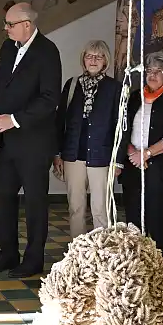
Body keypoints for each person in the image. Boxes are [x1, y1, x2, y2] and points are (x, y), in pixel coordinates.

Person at [0, 3, 62, 278]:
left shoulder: (47, 51)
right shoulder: (7, 49)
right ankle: (7, 254)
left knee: (34, 202)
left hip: (34, 143)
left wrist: (14, 119)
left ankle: (33, 261)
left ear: (27, 24)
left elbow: (50, 99)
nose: (5, 29)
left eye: (10, 24)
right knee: (2, 198)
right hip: (6, 142)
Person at [116, 51, 163, 256]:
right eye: (149, 70)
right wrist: (132, 153)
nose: (152, 75)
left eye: (159, 71)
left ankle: (159, 263)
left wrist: (146, 154)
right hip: (134, 165)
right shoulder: (134, 97)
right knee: (133, 214)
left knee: (159, 216)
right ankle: (135, 260)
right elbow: (123, 128)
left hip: (162, 168)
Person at [54, 39, 120, 237]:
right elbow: (60, 121)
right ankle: (79, 253)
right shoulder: (72, 85)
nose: (93, 60)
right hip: (72, 154)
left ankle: (102, 254)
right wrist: (57, 153)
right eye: (89, 56)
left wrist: (119, 161)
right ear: (83, 59)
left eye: (98, 56)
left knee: (100, 209)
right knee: (76, 208)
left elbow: (120, 126)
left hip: (101, 155)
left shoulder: (114, 88)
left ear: (105, 61)